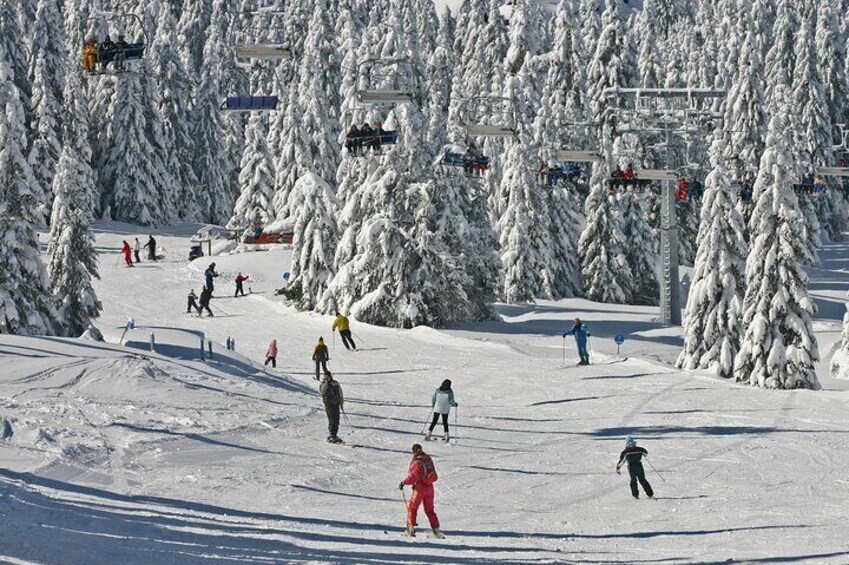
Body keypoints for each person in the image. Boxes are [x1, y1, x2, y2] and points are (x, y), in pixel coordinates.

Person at [399, 443, 442, 538]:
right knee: (430, 510)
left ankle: (410, 530)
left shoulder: (416, 461)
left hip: (419, 488)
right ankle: (436, 531)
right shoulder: (428, 459)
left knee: (412, 508)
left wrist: (404, 482)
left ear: (414, 451)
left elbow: (413, 477)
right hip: (430, 487)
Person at [320, 371, 344, 443]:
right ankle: (331, 435)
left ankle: (334, 435)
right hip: (329, 405)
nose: (327, 378)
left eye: (328, 376)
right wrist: (326, 383)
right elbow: (322, 391)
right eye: (325, 376)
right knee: (332, 419)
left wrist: (341, 402)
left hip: (336, 403)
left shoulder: (335, 383)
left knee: (337, 420)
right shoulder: (323, 384)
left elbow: (340, 393)